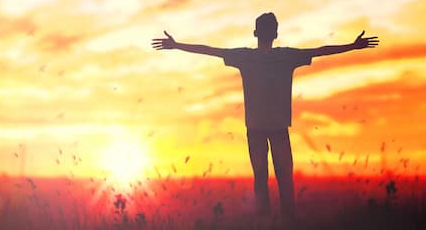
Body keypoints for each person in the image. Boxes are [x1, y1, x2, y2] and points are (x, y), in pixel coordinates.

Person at [151, 12, 379, 222]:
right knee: (276, 179)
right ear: (274, 33)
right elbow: (320, 50)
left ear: (256, 33)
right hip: (267, 128)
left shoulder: (257, 56)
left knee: (268, 179)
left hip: (267, 128)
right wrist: (353, 45)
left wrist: (176, 45)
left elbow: (211, 50)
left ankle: (275, 222)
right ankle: (275, 222)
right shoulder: (279, 56)